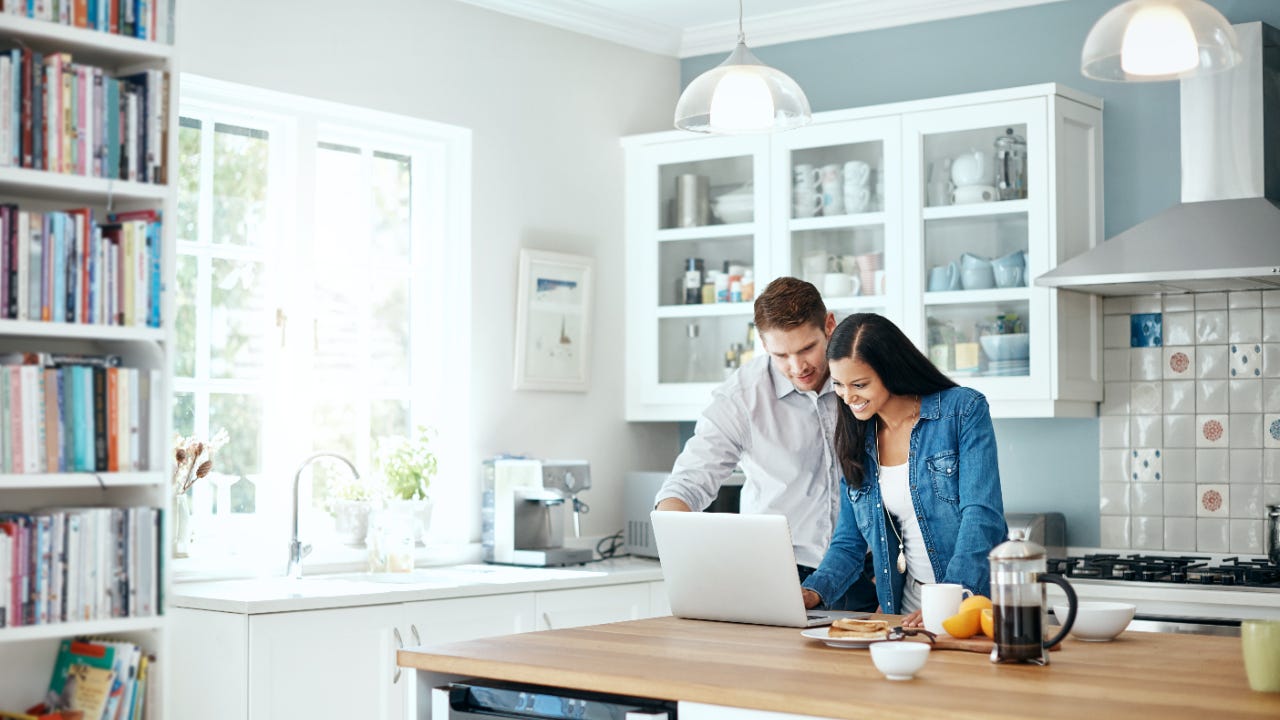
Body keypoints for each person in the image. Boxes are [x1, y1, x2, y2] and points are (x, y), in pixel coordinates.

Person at [654, 277, 877, 612]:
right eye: (780, 355)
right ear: (762, 343)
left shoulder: (864, 379)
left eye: (806, 349)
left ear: (829, 325)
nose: (797, 367)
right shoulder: (743, 397)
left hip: (870, 571)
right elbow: (687, 484)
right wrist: (683, 556)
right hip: (783, 576)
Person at [800, 313, 1007, 626]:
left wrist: (948, 601)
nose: (848, 397)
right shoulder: (857, 440)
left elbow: (981, 516)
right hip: (904, 615)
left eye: (859, 384)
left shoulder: (961, 411)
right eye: (839, 385)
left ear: (890, 370)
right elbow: (849, 542)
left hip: (968, 609)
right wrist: (812, 592)